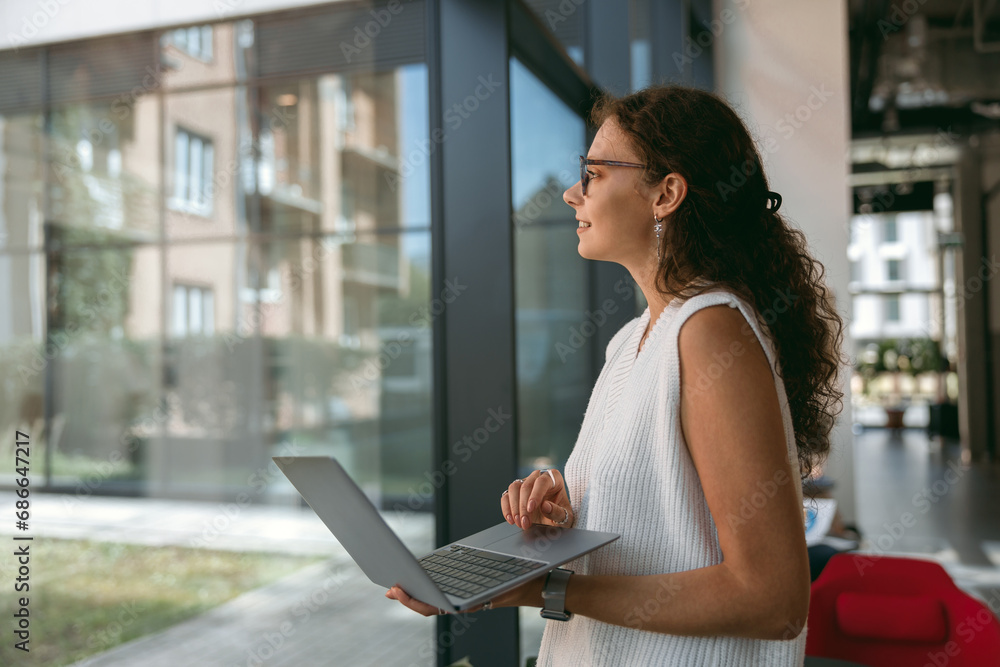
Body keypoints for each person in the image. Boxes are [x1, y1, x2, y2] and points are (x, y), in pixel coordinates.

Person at [387, 83, 847, 666]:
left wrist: (548, 589)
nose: (570, 192)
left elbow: (773, 601)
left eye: (595, 174)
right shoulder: (633, 340)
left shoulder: (709, 332)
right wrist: (568, 510)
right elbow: (663, 521)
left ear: (666, 194)